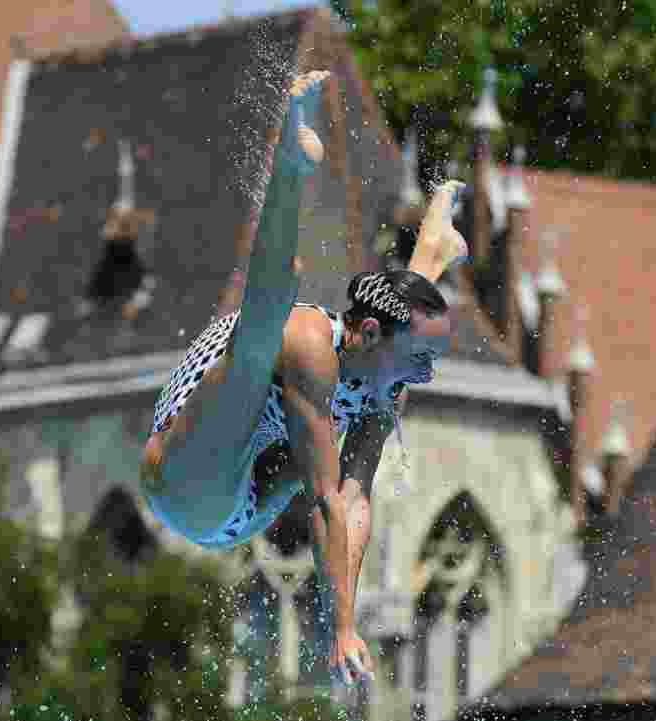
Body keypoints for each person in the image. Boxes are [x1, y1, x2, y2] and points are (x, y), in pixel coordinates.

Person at [140, 70, 468, 687]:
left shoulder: (381, 376)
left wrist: (347, 620)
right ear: (367, 335)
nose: (429, 374)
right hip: (185, 472)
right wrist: (339, 624)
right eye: (418, 357)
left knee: (347, 408)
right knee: (266, 327)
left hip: (239, 510)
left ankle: (431, 249)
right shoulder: (311, 343)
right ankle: (288, 166)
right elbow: (321, 501)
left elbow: (352, 498)